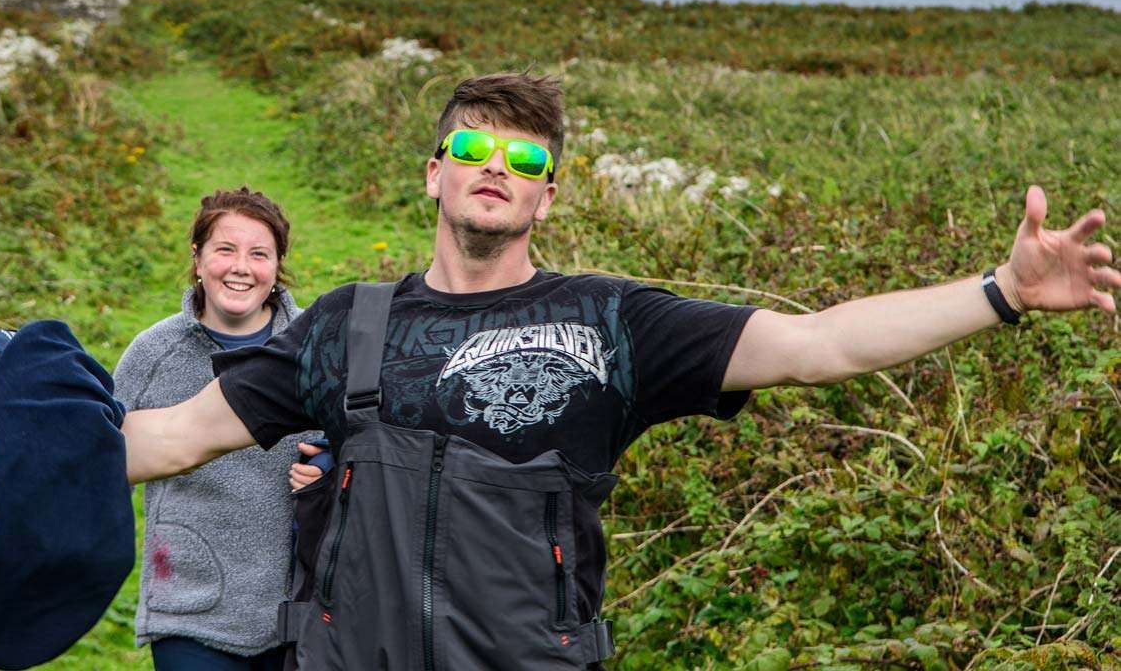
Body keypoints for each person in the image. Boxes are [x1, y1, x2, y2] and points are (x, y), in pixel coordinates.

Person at [121, 71, 1118, 670]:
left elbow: (820, 346)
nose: (496, 166)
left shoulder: (609, 321)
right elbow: (168, 436)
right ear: (435, 170)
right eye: (472, 145)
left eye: (527, 159)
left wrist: (1001, 290)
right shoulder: (347, 325)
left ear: (547, 196)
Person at [112, 187, 315, 671]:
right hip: (189, 608)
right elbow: (105, 459)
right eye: (225, 249)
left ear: (278, 265)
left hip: (297, 607)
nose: (240, 267)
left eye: (259, 254)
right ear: (198, 259)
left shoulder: (313, 347)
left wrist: (326, 469)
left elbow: (356, 448)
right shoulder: (152, 353)